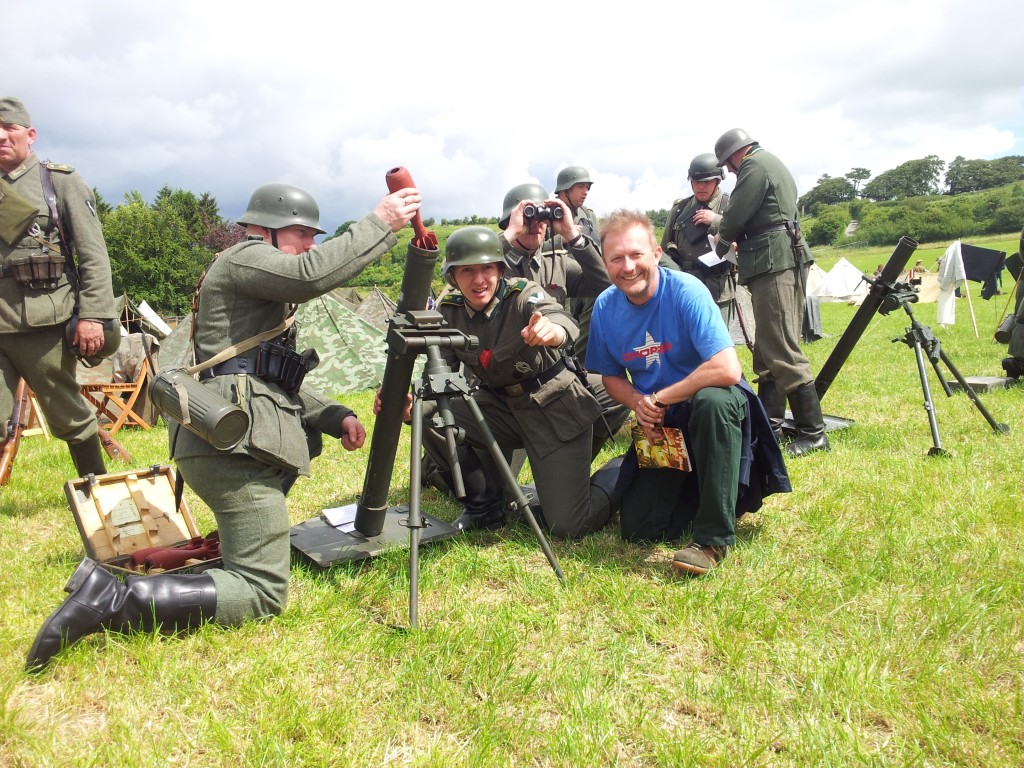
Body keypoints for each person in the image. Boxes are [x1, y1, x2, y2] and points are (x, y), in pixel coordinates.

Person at [25, 181, 420, 671]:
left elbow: (268, 376)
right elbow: (310, 275)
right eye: (304, 234)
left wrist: (335, 415)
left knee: (251, 552)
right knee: (262, 590)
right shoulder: (244, 257)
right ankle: (112, 599)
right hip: (235, 451)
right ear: (270, 231)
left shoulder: (255, 290)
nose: (312, 245)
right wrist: (381, 221)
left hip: (231, 443)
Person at [587, 210, 790, 574]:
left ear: (656, 254)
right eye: (616, 258)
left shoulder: (686, 291)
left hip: (710, 409)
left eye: (636, 254)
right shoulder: (605, 306)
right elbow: (610, 376)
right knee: (640, 531)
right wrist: (639, 403)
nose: (627, 266)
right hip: (663, 426)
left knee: (714, 401)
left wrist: (660, 398)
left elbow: (727, 369)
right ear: (605, 263)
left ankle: (712, 539)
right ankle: (713, 491)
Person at [426, 225, 617, 538]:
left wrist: (552, 332)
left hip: (551, 408)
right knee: (429, 413)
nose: (478, 280)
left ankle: (622, 470)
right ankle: (485, 505)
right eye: (467, 271)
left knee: (568, 525)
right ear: (453, 276)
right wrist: (410, 405)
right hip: (499, 409)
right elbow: (439, 376)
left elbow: (558, 317)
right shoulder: (450, 312)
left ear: (500, 269)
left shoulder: (522, 293)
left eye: (487, 268)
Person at [0, 97, 118, 479]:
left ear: (30, 135)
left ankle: (97, 488)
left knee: (66, 413)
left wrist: (94, 315)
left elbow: (93, 255)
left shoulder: (59, 181)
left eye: (10, 128)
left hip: (42, 321)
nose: (1, 136)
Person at [712, 128, 829, 456]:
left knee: (781, 347)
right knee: (766, 348)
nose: (730, 171)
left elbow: (734, 215)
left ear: (736, 154)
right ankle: (771, 428)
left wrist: (719, 247)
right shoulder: (767, 163)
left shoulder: (754, 167)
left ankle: (814, 433)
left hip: (774, 261)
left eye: (728, 165)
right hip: (775, 260)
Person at [498, 182, 628, 454]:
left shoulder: (555, 262)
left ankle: (569, 454)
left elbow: (607, 286)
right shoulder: (491, 266)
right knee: (490, 486)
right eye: (528, 219)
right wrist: (510, 233)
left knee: (617, 398)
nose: (536, 226)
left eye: (542, 219)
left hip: (554, 376)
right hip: (506, 384)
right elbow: (459, 275)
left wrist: (574, 237)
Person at [660, 153, 736, 328]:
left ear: (718, 181)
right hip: (684, 287)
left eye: (707, 182)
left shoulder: (730, 205)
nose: (701, 187)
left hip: (717, 288)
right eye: (696, 182)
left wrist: (716, 221)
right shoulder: (679, 209)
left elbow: (744, 241)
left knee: (717, 343)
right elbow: (663, 250)